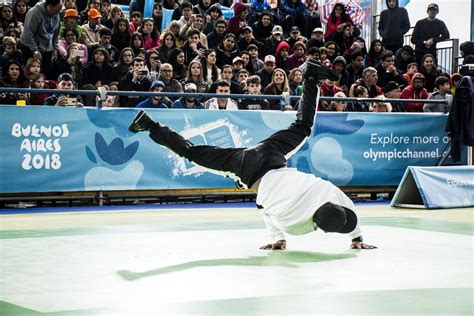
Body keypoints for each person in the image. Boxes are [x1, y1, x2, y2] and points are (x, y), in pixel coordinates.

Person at [128, 59, 376, 250]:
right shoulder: (295, 226)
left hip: (271, 154)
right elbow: (264, 208)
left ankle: (310, 76)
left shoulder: (327, 193)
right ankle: (149, 125)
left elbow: (347, 204)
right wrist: (278, 241)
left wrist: (358, 237)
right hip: (246, 167)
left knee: (303, 127)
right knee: (191, 153)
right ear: (318, 228)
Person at [19, 0, 63, 80]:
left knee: (48, 73)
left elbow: (56, 33)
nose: (58, 13)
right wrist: (35, 50)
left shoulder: (56, 15)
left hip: (47, 47)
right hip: (29, 46)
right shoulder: (34, 13)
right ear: (49, 6)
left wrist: (55, 48)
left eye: (59, 11)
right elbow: (27, 34)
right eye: (56, 10)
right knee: (32, 73)